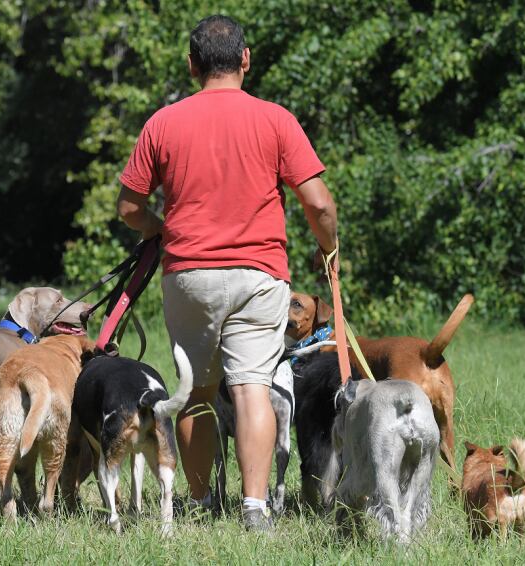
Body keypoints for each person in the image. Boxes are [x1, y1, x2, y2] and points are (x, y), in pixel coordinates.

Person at [116, 14, 337, 531]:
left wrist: (160, 230)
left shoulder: (162, 123)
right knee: (253, 387)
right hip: (259, 277)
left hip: (188, 275)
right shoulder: (276, 119)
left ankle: (197, 503)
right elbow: (320, 205)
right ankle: (255, 507)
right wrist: (330, 250)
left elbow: (129, 207)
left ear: (191, 64)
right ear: (246, 59)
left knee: (195, 391)